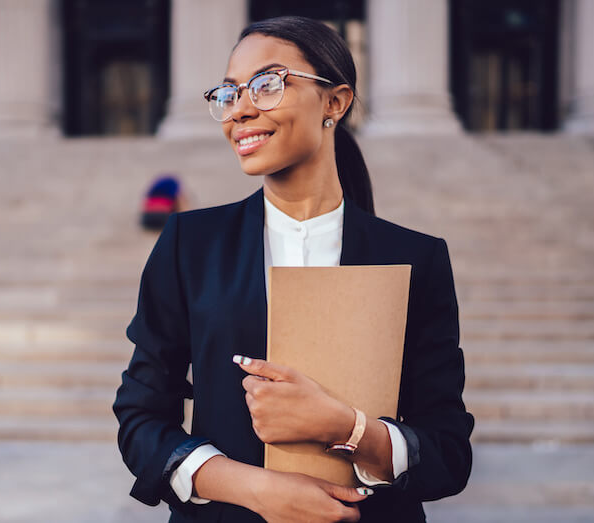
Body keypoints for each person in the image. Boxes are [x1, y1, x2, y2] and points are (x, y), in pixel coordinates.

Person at [113, 15, 474, 523]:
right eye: (229, 92)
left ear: (335, 101)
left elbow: (448, 454)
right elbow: (141, 421)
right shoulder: (188, 245)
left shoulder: (416, 258)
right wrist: (256, 489)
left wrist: (347, 428)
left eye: (266, 85)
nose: (239, 109)